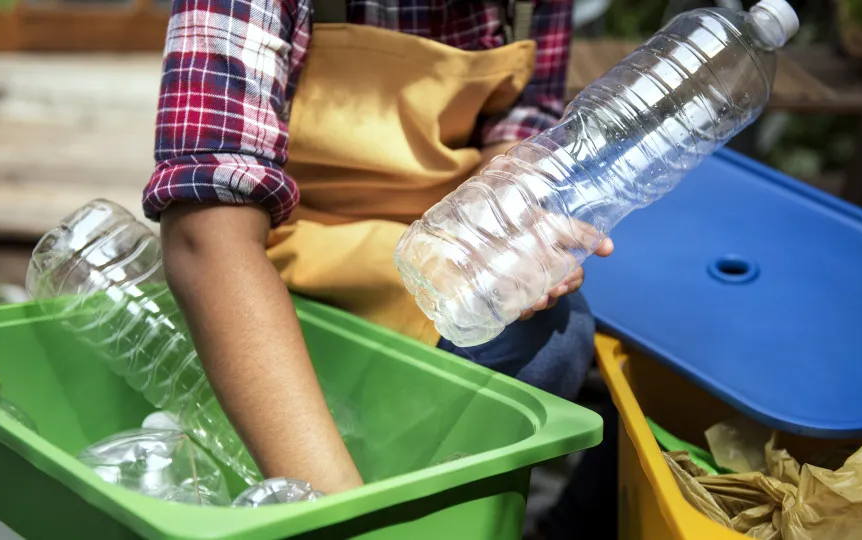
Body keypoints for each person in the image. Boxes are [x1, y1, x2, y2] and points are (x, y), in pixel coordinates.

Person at [143, 0, 613, 494]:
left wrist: (504, 228)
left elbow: (518, 124)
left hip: (429, 249)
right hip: (279, 256)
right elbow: (205, 233)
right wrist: (336, 508)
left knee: (552, 336)